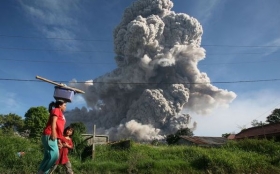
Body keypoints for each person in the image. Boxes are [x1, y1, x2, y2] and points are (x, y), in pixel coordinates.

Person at [37, 100, 68, 174]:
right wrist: (53, 132)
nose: (66, 107)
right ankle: (43, 172)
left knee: (48, 157)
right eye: (65, 105)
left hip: (52, 136)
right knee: (55, 156)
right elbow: (53, 121)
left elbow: (59, 128)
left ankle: (41, 172)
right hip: (49, 134)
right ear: (60, 105)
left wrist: (59, 140)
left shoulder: (60, 113)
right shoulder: (56, 110)